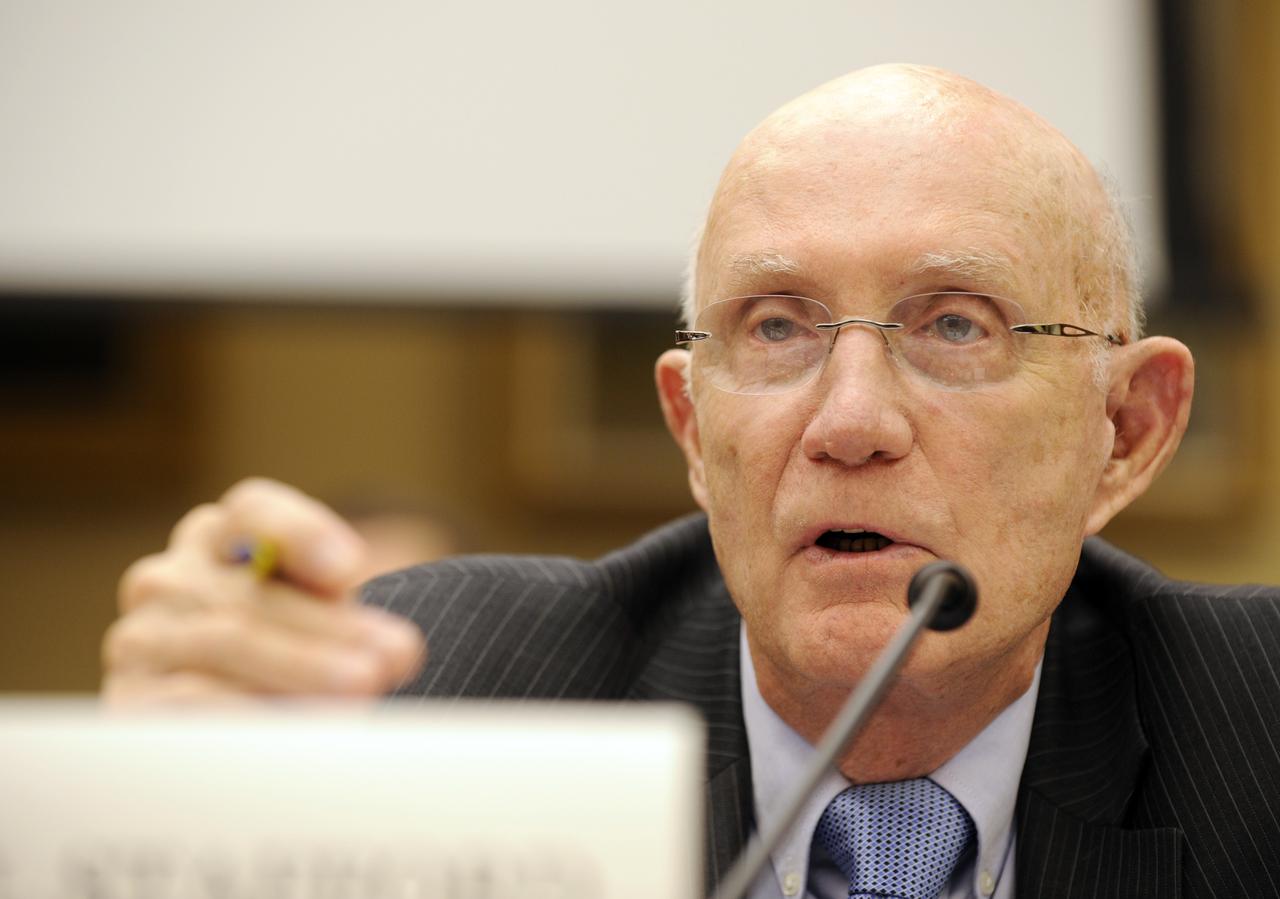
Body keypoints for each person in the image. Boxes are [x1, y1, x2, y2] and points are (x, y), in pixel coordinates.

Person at [102, 65, 1280, 898]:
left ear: (1123, 429)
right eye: (774, 327)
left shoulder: (1253, 735)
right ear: (689, 426)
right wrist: (163, 800)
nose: (849, 420)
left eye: (954, 325)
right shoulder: (442, 699)